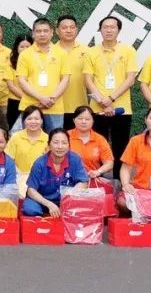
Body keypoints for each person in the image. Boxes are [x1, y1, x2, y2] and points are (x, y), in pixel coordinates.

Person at [83, 15, 138, 163]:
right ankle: (98, 176)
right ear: (100, 30)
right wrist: (102, 101)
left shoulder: (128, 50)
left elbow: (130, 79)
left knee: (121, 145)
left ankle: (119, 176)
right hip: (97, 107)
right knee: (97, 147)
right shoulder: (91, 52)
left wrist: (111, 99)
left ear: (119, 30)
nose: (109, 30)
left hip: (122, 108)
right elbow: (88, 80)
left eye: (112, 27)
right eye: (105, 27)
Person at [15, 18, 70, 131]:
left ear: (52, 33)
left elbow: (65, 79)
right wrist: (40, 98)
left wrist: (52, 98)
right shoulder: (25, 54)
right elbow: (22, 80)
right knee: (30, 139)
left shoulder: (61, 53)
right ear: (33, 33)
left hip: (54, 106)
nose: (42, 34)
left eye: (45, 31)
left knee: (55, 139)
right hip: (30, 106)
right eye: (38, 31)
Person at [22, 128, 89, 217]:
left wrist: (69, 196)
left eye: (64, 143)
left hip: (68, 200)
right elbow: (31, 190)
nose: (60, 146)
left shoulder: (75, 159)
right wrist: (49, 204)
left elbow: (83, 182)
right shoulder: (39, 163)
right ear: (49, 145)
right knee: (30, 209)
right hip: (43, 201)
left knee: (87, 207)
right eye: (56, 142)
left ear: (69, 145)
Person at [5, 106, 49, 198]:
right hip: (19, 177)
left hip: (41, 178)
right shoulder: (16, 137)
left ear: (42, 120)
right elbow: (8, 159)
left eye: (36, 119)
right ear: (24, 121)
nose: (33, 122)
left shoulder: (48, 139)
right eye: (29, 119)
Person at [55, 15, 89, 126]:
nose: (69, 30)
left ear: (77, 30)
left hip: (80, 107)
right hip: (55, 107)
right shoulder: (51, 51)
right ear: (57, 31)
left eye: (72, 27)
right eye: (64, 27)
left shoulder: (87, 51)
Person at [68, 106, 115, 179]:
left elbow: (109, 163)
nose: (83, 122)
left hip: (92, 178)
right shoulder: (65, 136)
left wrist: (98, 172)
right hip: (68, 177)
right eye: (80, 118)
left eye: (87, 119)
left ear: (93, 121)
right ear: (74, 120)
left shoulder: (99, 139)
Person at [4, 34, 33, 130]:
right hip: (15, 102)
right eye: (22, 47)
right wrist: (25, 98)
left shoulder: (36, 62)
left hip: (33, 102)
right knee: (14, 131)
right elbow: (10, 85)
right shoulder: (10, 63)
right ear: (17, 48)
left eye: (27, 47)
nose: (24, 49)